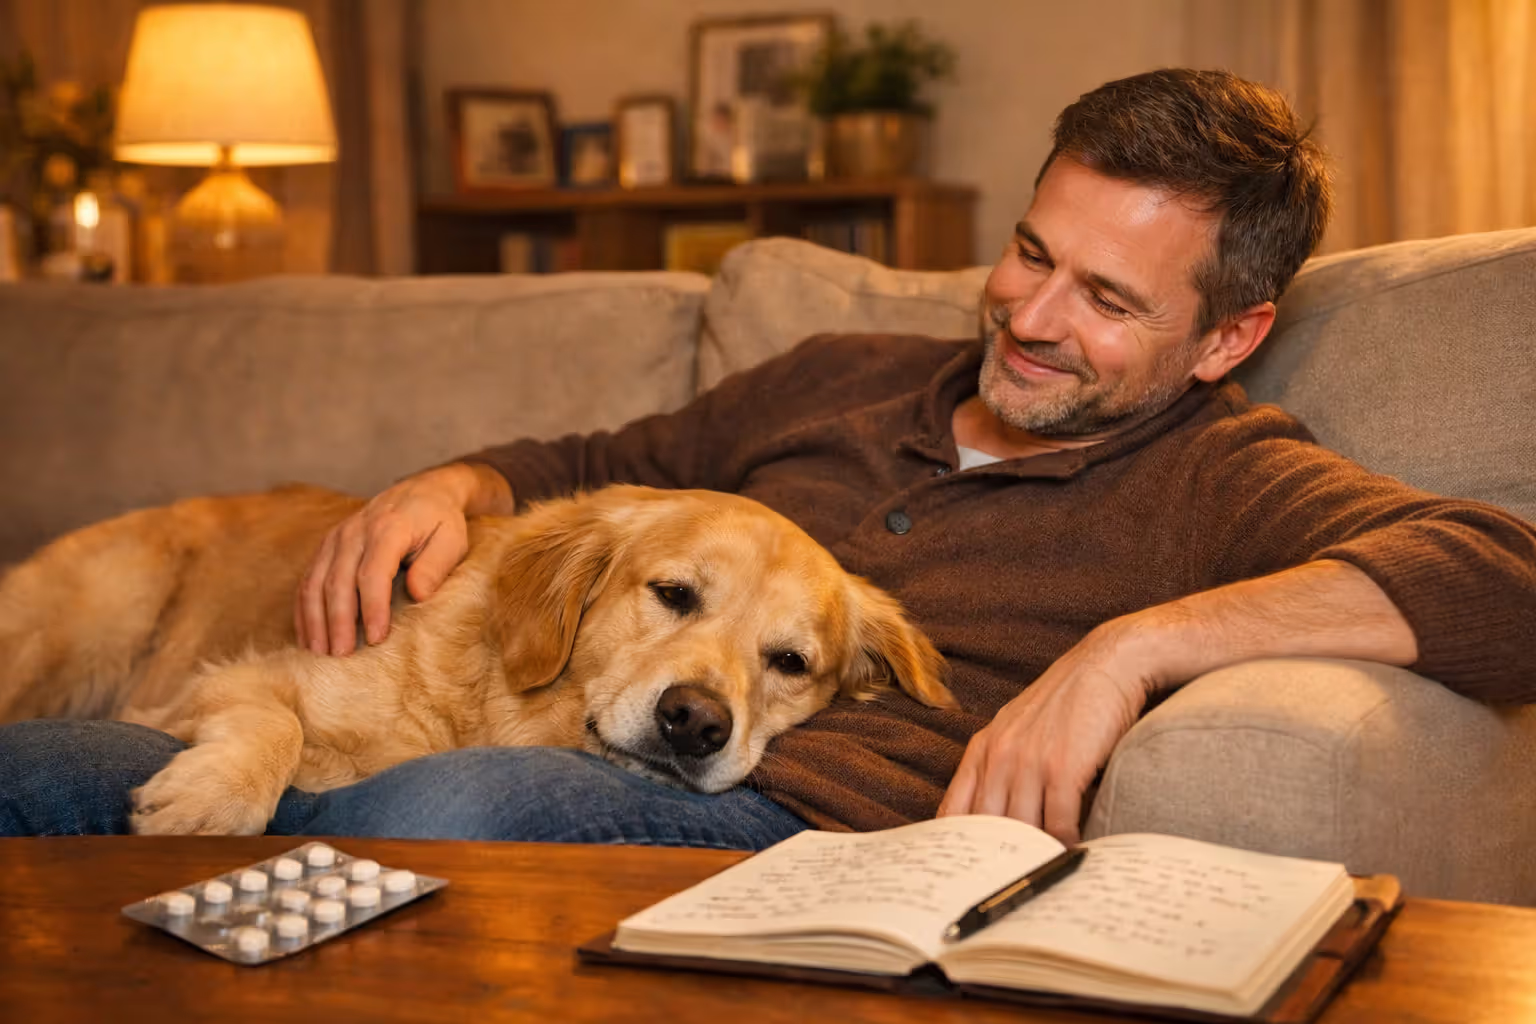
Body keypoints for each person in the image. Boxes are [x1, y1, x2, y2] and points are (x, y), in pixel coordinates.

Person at [4, 69, 1534, 844]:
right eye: (1028, 252)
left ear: (1225, 337)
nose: (1030, 314)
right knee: (38, 780)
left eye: (1108, 298)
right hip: (473, 734)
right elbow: (600, 455)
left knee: (450, 811)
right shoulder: (839, 375)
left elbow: (1506, 578)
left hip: (758, 813)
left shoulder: (1224, 473)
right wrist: (452, 483)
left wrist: (1128, 651)